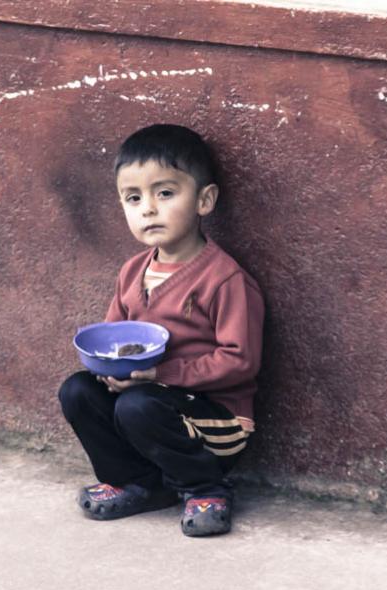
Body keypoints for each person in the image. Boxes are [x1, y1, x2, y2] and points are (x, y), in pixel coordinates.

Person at [58, 124, 265, 537]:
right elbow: (114, 335)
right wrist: (110, 372)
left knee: (138, 407)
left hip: (215, 423)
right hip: (150, 403)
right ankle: (141, 483)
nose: (148, 209)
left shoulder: (224, 279)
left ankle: (206, 488)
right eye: (134, 198)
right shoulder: (132, 271)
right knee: (77, 391)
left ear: (204, 200)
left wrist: (161, 376)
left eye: (165, 193)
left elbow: (240, 360)